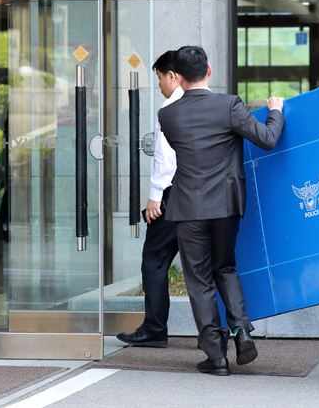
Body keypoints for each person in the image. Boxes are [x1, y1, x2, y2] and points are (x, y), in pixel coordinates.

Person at [159, 45, 285, 376]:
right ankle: (242, 331)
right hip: (226, 204)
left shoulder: (167, 115)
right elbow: (268, 138)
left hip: (187, 206)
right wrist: (275, 111)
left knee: (198, 279)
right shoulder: (229, 105)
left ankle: (216, 356)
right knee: (225, 267)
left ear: (179, 78)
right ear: (209, 70)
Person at [116, 50, 183, 348]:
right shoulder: (206, 105)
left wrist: (154, 198)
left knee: (154, 261)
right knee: (204, 269)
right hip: (205, 199)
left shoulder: (168, 110)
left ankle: (155, 328)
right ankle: (217, 331)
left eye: (159, 78)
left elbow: (165, 161)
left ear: (172, 75)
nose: (159, 86)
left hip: (173, 196)